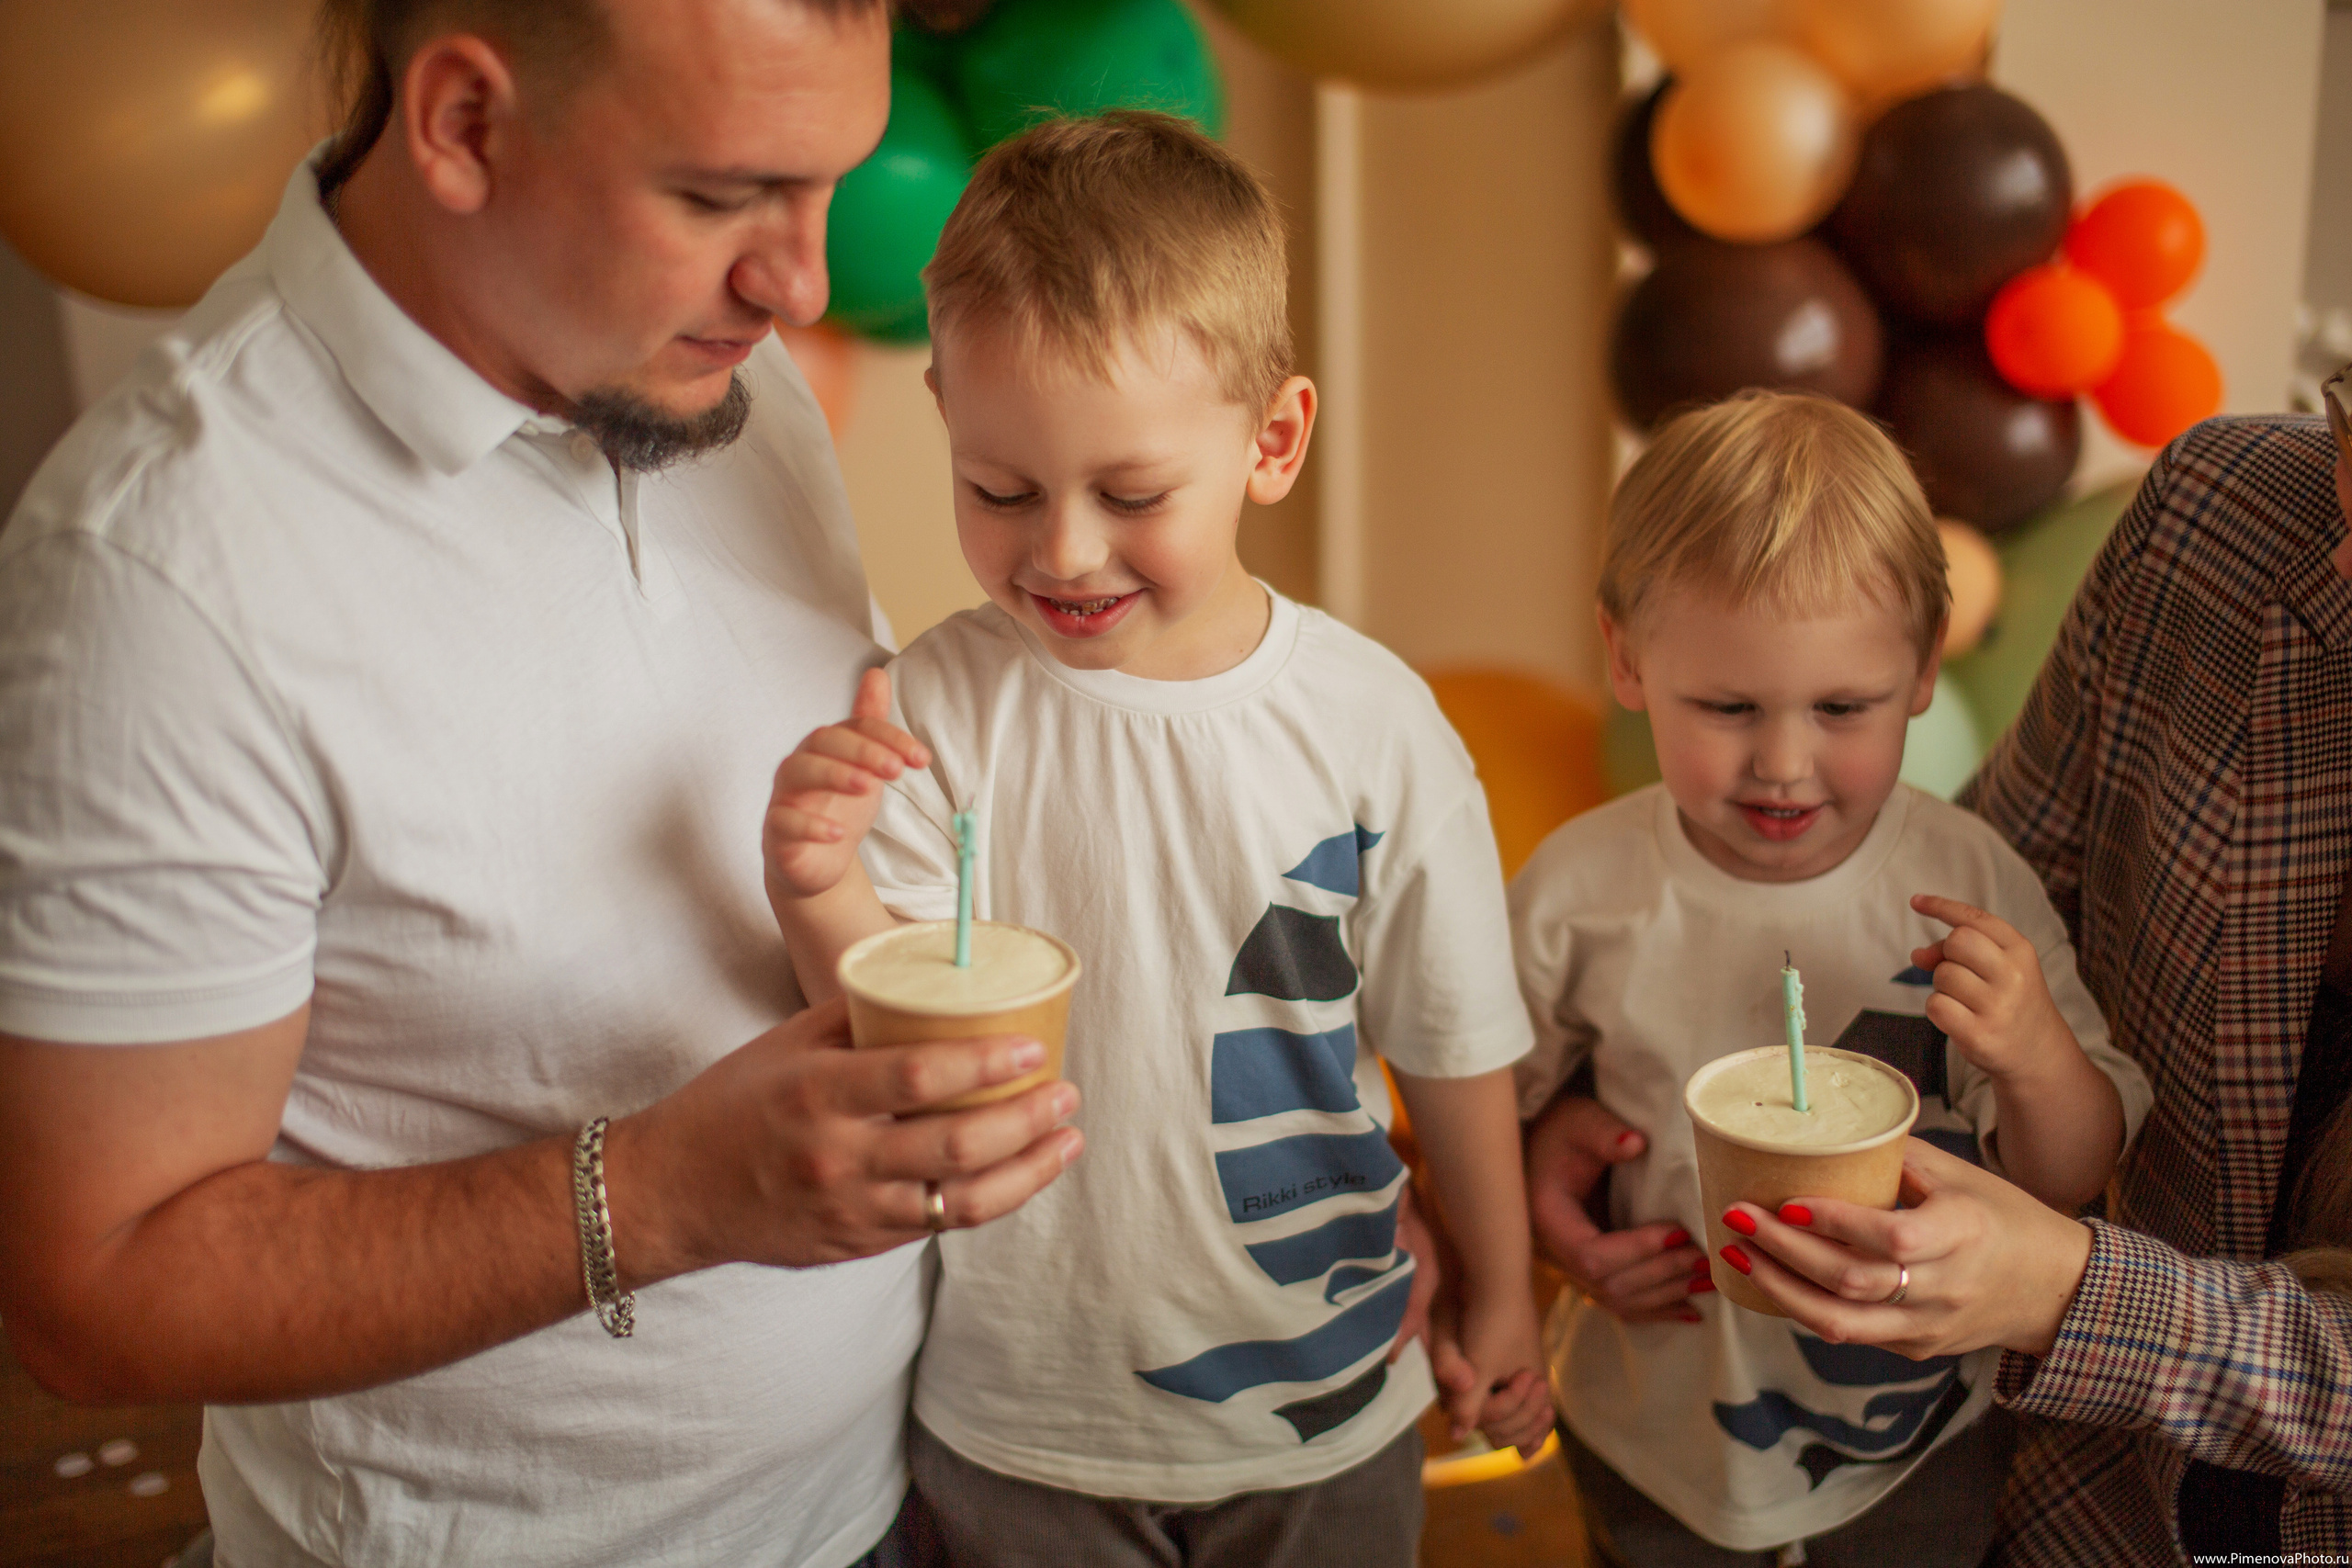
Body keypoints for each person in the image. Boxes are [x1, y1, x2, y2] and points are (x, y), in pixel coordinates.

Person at [0, 4, 1082, 1565]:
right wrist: (666, 1193)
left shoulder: (721, 375)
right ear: (462, 125)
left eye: (828, 183)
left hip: (890, 1506)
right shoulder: (157, 576)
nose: (800, 281)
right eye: (722, 196)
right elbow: (89, 1293)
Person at [759, 112, 1550, 1568]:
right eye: (999, 489)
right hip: (1019, 1419)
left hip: (1331, 1409)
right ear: (945, 409)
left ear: (1272, 440)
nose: (1059, 550)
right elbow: (892, 1021)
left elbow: (1454, 1040)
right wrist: (819, 884)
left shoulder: (1375, 723)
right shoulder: (938, 704)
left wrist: (1501, 1282)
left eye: (1130, 495)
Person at [1510, 392, 2152, 1567]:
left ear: (1920, 668)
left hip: (1918, 1438)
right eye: (1729, 707)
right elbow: (1493, 1110)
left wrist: (2034, 1055)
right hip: (1652, 1420)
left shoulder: (1967, 879)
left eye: (1841, 707)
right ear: (1625, 658)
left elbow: (2067, 1182)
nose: (1785, 763)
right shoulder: (1575, 892)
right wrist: (1547, 1226)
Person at [1703, 407, 2352, 1563]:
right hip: (2051, 1500)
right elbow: (1961, 940)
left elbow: (2068, 1139)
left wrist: (2068, 1290)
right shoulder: (2220, 518)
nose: (2338, 570)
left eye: (1839, 706)